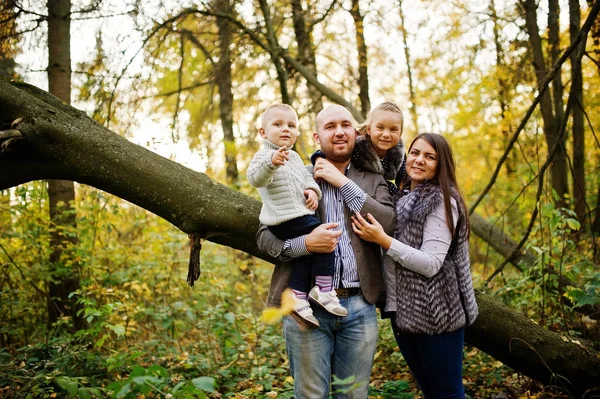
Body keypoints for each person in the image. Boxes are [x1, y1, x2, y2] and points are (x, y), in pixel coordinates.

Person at [256, 104, 396, 398]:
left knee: (353, 395)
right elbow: (264, 236)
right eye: (330, 127)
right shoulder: (293, 173)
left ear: (355, 133)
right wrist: (305, 244)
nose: (339, 131)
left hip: (359, 306)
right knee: (310, 395)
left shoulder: (372, 178)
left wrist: (342, 183)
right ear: (317, 138)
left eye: (345, 124)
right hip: (306, 308)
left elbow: (390, 223)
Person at [351, 133, 479, 399]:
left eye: (429, 157)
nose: (419, 160)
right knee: (430, 392)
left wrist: (383, 240)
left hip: (436, 316)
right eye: (415, 153)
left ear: (441, 164)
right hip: (402, 314)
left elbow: (431, 264)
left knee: (448, 394)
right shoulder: (402, 196)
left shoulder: (442, 201)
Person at [247, 104, 348, 328]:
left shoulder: (293, 157)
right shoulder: (263, 156)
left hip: (297, 217)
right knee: (327, 235)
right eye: (278, 124)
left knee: (307, 254)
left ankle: (298, 296)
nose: (286, 129)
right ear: (263, 133)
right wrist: (271, 163)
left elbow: (307, 179)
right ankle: (323, 289)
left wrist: (313, 191)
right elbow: (255, 179)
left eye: (291, 126)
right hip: (283, 220)